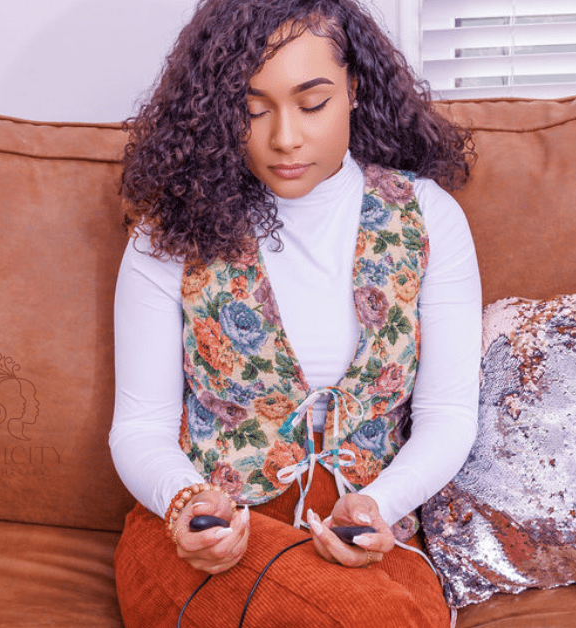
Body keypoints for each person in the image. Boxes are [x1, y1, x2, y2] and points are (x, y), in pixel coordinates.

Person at [109, 0, 480, 624]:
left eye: (313, 104)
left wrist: (377, 506)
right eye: (252, 109)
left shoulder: (428, 218)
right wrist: (188, 505)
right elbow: (140, 428)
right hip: (205, 533)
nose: (284, 136)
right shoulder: (168, 231)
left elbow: (447, 415)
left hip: (365, 529)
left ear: (356, 88)